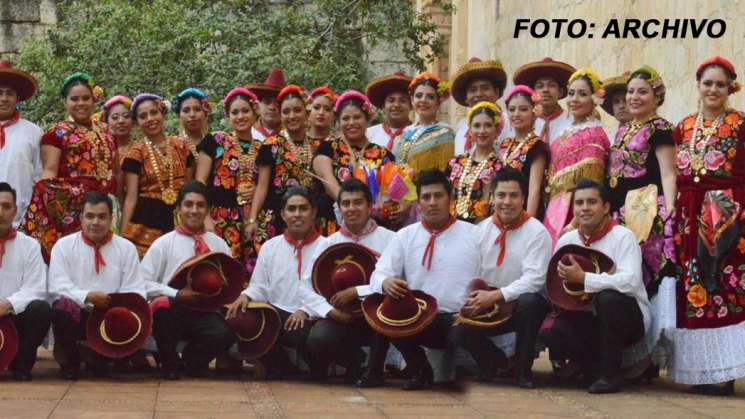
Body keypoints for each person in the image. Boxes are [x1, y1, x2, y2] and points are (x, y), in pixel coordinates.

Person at [666, 56, 745, 395]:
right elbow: (674, 172)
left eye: (720, 84)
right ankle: (701, 370)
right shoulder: (683, 126)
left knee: (724, 289)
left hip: (727, 215)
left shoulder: (740, 124)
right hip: (689, 213)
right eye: (708, 83)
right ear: (697, 86)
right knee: (694, 290)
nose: (713, 89)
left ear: (731, 89)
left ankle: (724, 373)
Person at [369, 170, 480, 390]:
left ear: (450, 199)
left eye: (438, 196)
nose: (432, 203)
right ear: (418, 202)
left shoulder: (474, 234)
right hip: (421, 318)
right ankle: (420, 368)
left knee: (464, 333)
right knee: (388, 314)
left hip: (461, 318)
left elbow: (487, 279)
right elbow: (378, 274)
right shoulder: (406, 235)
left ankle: (493, 365)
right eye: (426, 197)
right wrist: (386, 283)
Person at [542, 179, 649, 394]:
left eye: (592, 202)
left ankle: (610, 375)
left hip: (627, 318)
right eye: (579, 203)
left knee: (608, 298)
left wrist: (585, 279)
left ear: (606, 207)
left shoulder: (623, 236)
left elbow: (630, 281)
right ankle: (592, 369)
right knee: (553, 331)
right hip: (585, 317)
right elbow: (553, 282)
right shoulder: (567, 240)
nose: (584, 208)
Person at [452, 169, 551, 388]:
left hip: (520, 304)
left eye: (514, 196)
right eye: (501, 195)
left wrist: (497, 295)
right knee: (452, 325)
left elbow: (535, 280)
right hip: (488, 300)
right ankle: (492, 361)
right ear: (492, 198)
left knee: (530, 302)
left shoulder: (537, 232)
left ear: (523, 198)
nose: (507, 202)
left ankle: (523, 370)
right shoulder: (480, 231)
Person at [226, 187, 326, 379]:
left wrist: (306, 310)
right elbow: (260, 286)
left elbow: (328, 293)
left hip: (313, 317)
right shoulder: (271, 247)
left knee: (310, 335)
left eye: (303, 208)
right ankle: (283, 366)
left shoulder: (326, 246)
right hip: (278, 314)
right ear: (282, 214)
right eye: (291, 209)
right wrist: (246, 295)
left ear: (313, 212)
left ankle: (318, 366)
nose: (297, 214)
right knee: (240, 316)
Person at [303, 179, 396, 386]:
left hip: (377, 313)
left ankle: (374, 372)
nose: (351, 209)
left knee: (386, 318)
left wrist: (358, 291)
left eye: (358, 203)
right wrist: (330, 312)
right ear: (339, 207)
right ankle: (355, 363)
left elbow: (397, 280)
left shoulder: (390, 239)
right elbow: (305, 286)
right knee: (319, 339)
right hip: (340, 315)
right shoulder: (329, 243)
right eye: (346, 204)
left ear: (370, 205)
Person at [140, 181, 235, 379]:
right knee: (163, 308)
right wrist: (177, 294)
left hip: (206, 311)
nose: (194, 210)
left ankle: (191, 362)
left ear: (207, 210)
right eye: (188, 204)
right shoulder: (164, 243)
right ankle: (169, 362)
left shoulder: (219, 244)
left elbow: (230, 282)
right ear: (178, 209)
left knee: (224, 333)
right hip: (173, 310)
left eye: (200, 205)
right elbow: (143, 283)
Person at [48, 192, 146, 379]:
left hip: (109, 314)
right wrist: (87, 296)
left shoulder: (126, 248)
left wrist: (114, 304)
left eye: (102, 217)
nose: (95, 222)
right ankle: (71, 361)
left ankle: (103, 357)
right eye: (90, 216)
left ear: (111, 219)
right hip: (79, 312)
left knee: (128, 314)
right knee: (61, 308)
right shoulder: (64, 246)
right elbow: (57, 285)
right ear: (81, 218)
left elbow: (134, 288)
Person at [21, 72, 116, 261]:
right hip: (76, 205)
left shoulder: (107, 130)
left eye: (85, 98)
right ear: (65, 102)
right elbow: (49, 171)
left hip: (109, 202)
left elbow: (116, 169)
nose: (80, 103)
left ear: (94, 100)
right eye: (74, 99)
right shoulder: (56, 133)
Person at [608, 66, 677, 297]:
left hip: (647, 209)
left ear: (657, 97)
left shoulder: (661, 128)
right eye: (630, 92)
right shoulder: (624, 130)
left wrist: (670, 207)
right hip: (621, 209)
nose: (634, 98)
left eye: (642, 92)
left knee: (648, 266)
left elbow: (669, 172)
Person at [196, 87, 262, 275]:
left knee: (252, 271)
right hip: (219, 217)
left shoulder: (263, 147)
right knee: (222, 270)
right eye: (235, 112)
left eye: (245, 111)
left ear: (254, 112)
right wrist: (206, 217)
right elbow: (200, 180)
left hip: (251, 219)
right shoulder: (216, 140)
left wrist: (253, 214)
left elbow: (266, 184)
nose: (240, 116)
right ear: (228, 116)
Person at [121, 93, 195, 257]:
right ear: (137, 123)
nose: (150, 119)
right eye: (143, 116)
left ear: (162, 113)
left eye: (154, 112)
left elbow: (190, 188)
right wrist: (122, 237)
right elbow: (131, 197)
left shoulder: (182, 147)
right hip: (147, 218)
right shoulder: (135, 153)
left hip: (179, 215)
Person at [248, 85, 323, 245]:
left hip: (310, 219)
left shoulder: (318, 146)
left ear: (306, 113)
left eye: (297, 110)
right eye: (286, 112)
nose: (292, 116)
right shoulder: (270, 145)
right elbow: (262, 186)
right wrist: (252, 218)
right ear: (280, 115)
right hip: (276, 219)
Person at [313, 90, 395, 235]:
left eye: (357, 117)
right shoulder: (327, 148)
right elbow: (328, 182)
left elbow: (390, 192)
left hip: (372, 227)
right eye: (345, 118)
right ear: (338, 121)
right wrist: (351, 208)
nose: (351, 123)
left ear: (367, 119)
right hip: (333, 224)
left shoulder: (384, 155)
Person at [544, 68, 610, 247]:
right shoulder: (567, 131)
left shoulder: (594, 134)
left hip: (574, 210)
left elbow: (592, 182)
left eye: (582, 94)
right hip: (555, 207)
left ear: (594, 99)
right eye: (571, 93)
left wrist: (574, 223)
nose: (574, 99)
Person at [0, 182, 51, 381]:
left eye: (6, 206)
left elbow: (36, 288)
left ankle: (20, 364)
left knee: (41, 308)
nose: (1, 212)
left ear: (15, 210)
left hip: (13, 316)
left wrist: (9, 304)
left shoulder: (29, 246)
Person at [0, 61, 42, 228]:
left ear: (17, 98)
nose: (4, 98)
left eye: (9, 93)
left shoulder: (33, 132)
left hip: (21, 222)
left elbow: (40, 177)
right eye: (0, 92)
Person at [446, 101, 503, 223]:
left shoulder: (499, 166)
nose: (482, 131)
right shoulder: (455, 162)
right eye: (477, 126)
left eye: (488, 125)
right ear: (470, 131)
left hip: (482, 230)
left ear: (497, 130)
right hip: (451, 228)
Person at [498, 85, 549, 219]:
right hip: (503, 210)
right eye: (512, 109)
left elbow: (534, 189)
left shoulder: (537, 146)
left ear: (534, 113)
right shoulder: (505, 144)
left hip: (524, 211)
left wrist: (528, 222)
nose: (516, 114)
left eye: (523, 109)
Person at [392, 72, 455, 175]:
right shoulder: (404, 133)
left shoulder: (445, 133)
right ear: (412, 100)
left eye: (430, 97)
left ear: (438, 102)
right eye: (419, 96)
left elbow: (445, 172)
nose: (423, 100)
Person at [450, 57, 509, 155]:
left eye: (485, 88)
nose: (479, 94)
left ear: (497, 92)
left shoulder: (509, 122)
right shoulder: (461, 127)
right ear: (466, 98)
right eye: (473, 90)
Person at [512, 57, 575, 144]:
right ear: (533, 93)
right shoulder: (525, 122)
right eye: (540, 86)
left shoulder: (572, 122)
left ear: (560, 92)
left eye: (551, 85)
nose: (545, 90)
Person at [101, 95, 135, 210]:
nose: (121, 121)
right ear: (106, 121)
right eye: (115, 118)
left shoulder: (142, 149)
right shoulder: (101, 151)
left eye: (126, 116)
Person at [365, 72, 412, 150]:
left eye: (403, 101)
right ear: (383, 106)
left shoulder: (419, 135)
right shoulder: (369, 134)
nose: (396, 105)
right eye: (391, 100)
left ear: (411, 106)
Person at [246, 68, 286, 141]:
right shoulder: (246, 135)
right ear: (258, 106)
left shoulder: (292, 136)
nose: (272, 107)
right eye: (267, 102)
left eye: (278, 103)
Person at [174, 87, 211, 160]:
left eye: (197, 109)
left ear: (205, 113)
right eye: (186, 110)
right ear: (179, 115)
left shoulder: (216, 143)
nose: (192, 115)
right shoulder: (173, 146)